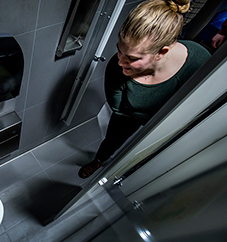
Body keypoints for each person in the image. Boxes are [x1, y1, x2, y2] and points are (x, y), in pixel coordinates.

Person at [78, 0, 211, 179]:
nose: (120, 62)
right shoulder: (116, 69)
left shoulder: (199, 60)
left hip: (166, 124)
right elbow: (117, 108)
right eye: (119, 51)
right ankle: (100, 159)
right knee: (112, 140)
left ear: (161, 52)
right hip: (128, 118)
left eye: (132, 58)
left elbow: (198, 101)